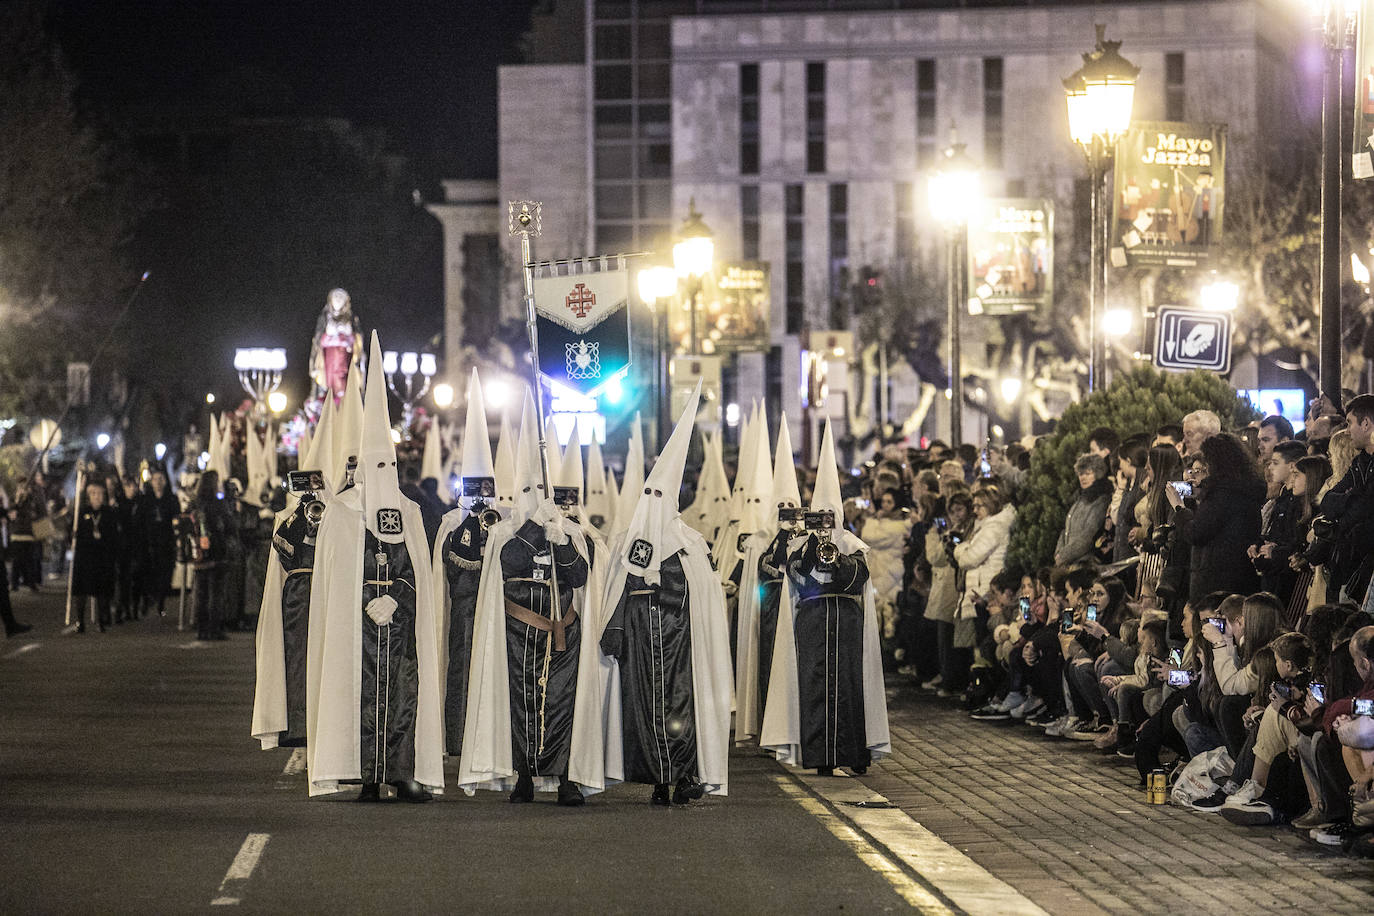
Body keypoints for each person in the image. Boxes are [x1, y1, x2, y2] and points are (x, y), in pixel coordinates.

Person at [307, 333, 443, 802]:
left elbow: (415, 566)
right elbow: (337, 574)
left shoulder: (408, 511)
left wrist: (397, 597)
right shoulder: (342, 513)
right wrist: (366, 599)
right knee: (358, 693)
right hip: (357, 626)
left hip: (398, 626)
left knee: (403, 695)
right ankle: (365, 773)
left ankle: (401, 773)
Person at [459, 389, 597, 806]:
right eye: (529, 490)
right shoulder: (505, 531)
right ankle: (524, 775)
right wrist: (536, 528)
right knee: (520, 702)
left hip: (562, 630)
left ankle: (566, 778)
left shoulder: (566, 529)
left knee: (560, 702)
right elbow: (507, 562)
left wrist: (562, 540)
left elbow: (579, 576)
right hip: (519, 628)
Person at [599, 385, 733, 804]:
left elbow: (701, 589)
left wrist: (668, 585)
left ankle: (686, 773)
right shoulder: (625, 541)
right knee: (643, 707)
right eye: (649, 495)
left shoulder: (690, 542)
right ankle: (658, 777)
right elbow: (617, 588)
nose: (654, 502)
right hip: (640, 636)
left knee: (681, 704)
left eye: (661, 495)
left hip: (680, 638)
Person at [761, 419, 890, 778]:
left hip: (846, 621)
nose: (826, 523)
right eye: (820, 516)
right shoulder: (802, 547)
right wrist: (810, 551)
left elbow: (858, 579)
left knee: (850, 685)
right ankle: (821, 755)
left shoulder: (852, 545)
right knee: (815, 684)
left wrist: (836, 557)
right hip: (814, 620)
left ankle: (855, 752)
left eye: (830, 516)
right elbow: (796, 579)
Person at [252, 399, 336, 751]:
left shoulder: (340, 513)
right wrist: (303, 513)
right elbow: (281, 553)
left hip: (330, 592)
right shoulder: (289, 519)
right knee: (300, 659)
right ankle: (298, 723)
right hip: (300, 594)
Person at [430, 368, 498, 756]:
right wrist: (470, 527)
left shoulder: (503, 521)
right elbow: (450, 565)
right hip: (463, 609)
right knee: (462, 668)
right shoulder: (452, 523)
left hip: (498, 611)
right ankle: (456, 736)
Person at [736, 415, 802, 745]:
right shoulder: (760, 540)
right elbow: (763, 571)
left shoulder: (809, 539)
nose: (788, 512)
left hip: (801, 616)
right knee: (768, 668)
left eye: (793, 507)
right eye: (782, 507)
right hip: (771, 616)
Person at [1166, 433, 1265, 604]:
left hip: (1216, 584)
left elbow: (1196, 532)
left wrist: (1179, 508)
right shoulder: (1246, 488)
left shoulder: (1223, 494)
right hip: (1239, 579)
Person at [1053, 453, 1112, 567]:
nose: (1083, 477)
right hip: (1069, 563)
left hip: (1085, 564)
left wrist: (1064, 556)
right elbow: (1065, 530)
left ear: (1097, 474)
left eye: (1087, 473)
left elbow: (1089, 535)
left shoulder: (1101, 500)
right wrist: (1058, 553)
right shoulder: (1079, 499)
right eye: (1080, 474)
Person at [136, 470, 180, 616]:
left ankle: (161, 602)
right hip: (150, 542)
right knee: (148, 574)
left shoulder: (171, 499)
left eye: (160, 479)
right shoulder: (146, 500)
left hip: (166, 542)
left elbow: (176, 518)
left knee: (165, 574)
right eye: (155, 479)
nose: (158, 482)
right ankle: (147, 600)